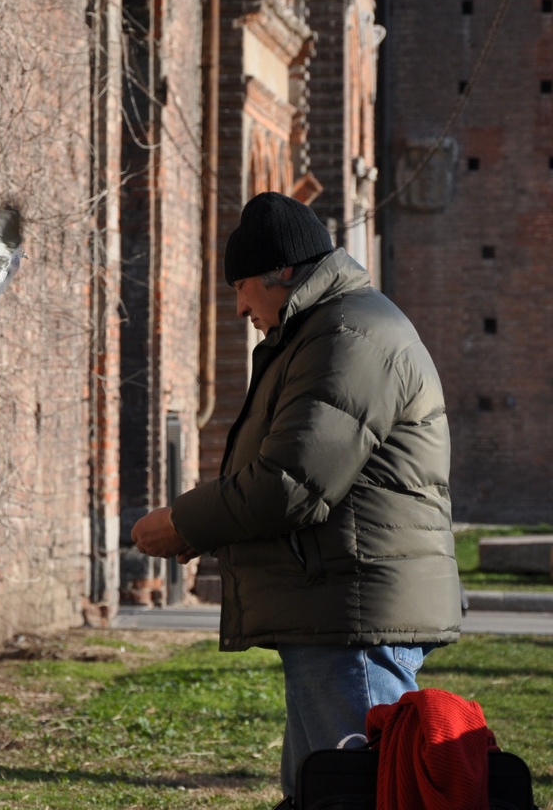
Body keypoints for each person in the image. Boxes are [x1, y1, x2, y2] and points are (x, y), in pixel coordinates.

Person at [131, 192, 461, 809]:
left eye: (242, 286)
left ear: (281, 274)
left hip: (354, 614)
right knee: (322, 792)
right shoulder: (330, 329)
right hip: (336, 606)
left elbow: (291, 483)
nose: (239, 306)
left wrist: (182, 523)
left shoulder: (350, 336)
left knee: (361, 795)